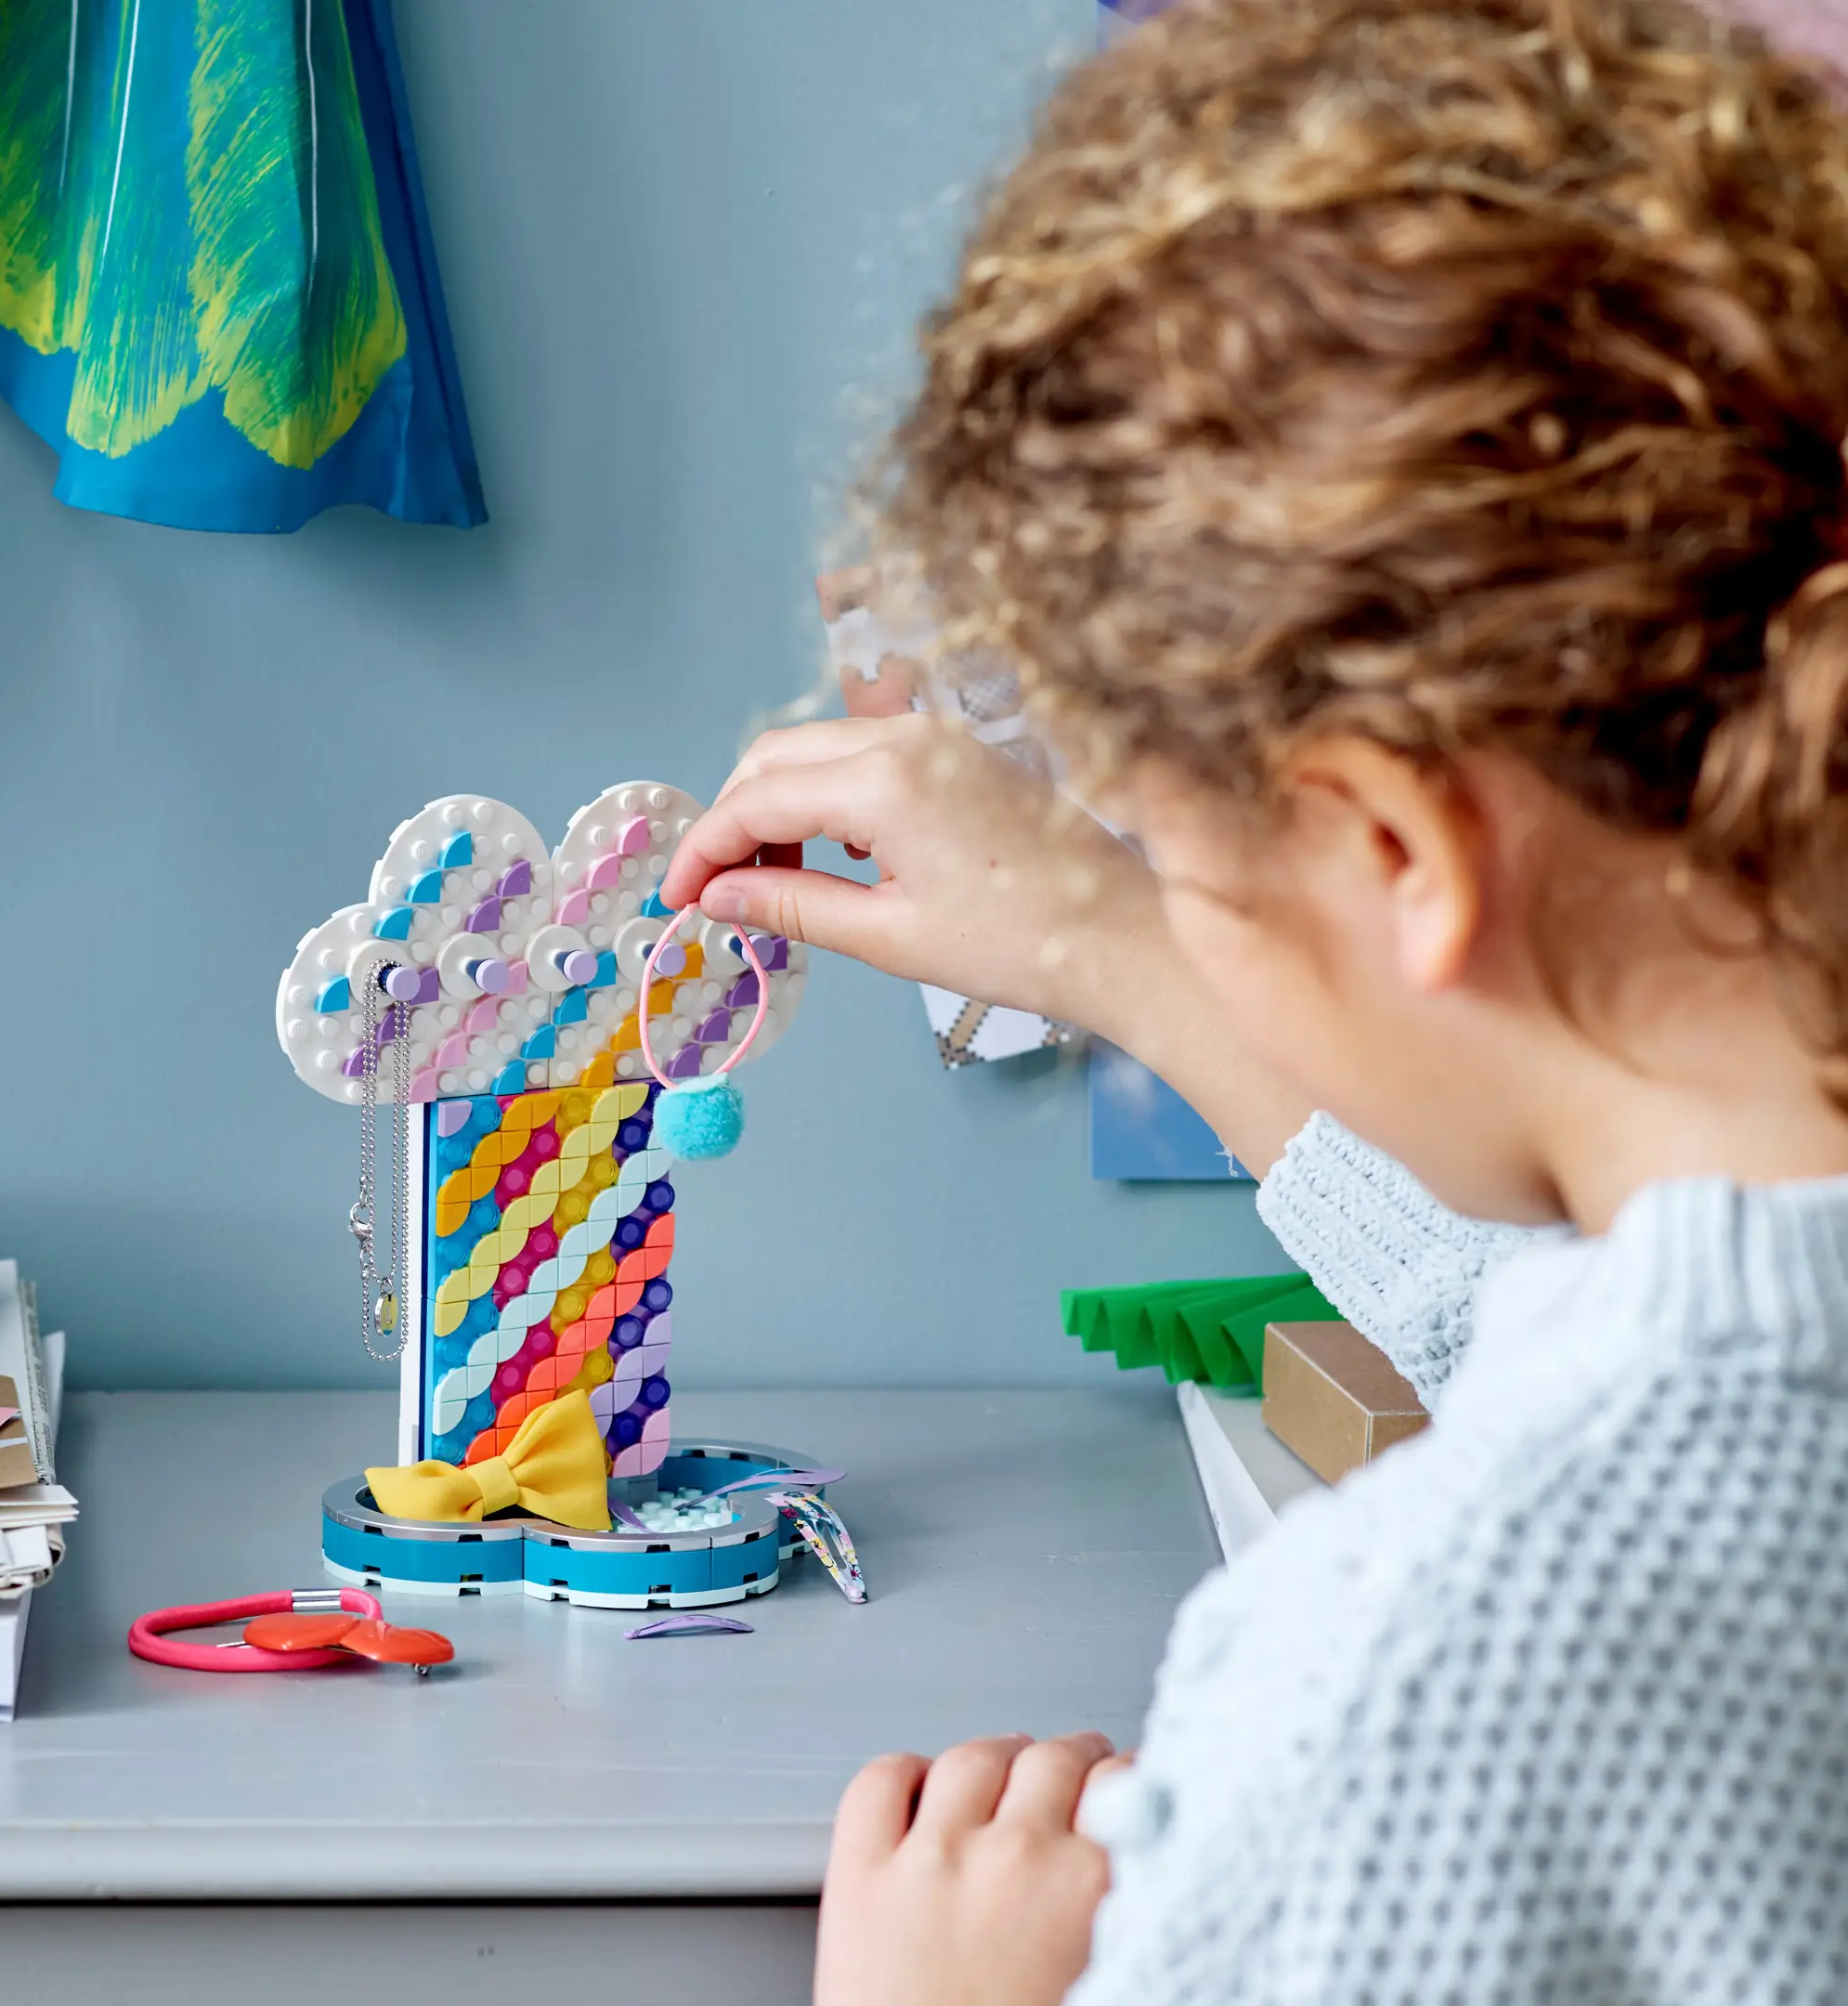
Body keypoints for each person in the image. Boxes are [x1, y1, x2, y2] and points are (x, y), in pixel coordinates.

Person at [657, 0, 1848, 1999]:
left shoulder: (1387, 1696)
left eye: (1197, 871)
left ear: (1396, 849)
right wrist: (1122, 940)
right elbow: (1584, 1338)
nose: (1180, 916)